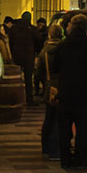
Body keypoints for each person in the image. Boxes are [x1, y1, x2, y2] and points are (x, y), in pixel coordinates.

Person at [55, 14, 87, 169]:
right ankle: (80, 158)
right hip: (83, 91)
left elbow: (55, 66)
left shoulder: (64, 45)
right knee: (83, 127)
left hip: (65, 90)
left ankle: (65, 158)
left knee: (64, 127)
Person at [36, 24, 63, 161]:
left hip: (49, 85)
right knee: (58, 119)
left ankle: (45, 147)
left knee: (49, 118)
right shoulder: (63, 49)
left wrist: (44, 82)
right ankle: (55, 149)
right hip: (60, 86)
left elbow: (39, 71)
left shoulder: (44, 51)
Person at [9, 12, 38, 106]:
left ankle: (15, 99)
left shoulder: (14, 28)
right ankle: (29, 99)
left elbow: (11, 42)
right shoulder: (32, 29)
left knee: (16, 78)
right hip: (29, 56)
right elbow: (38, 41)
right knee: (28, 79)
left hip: (17, 56)